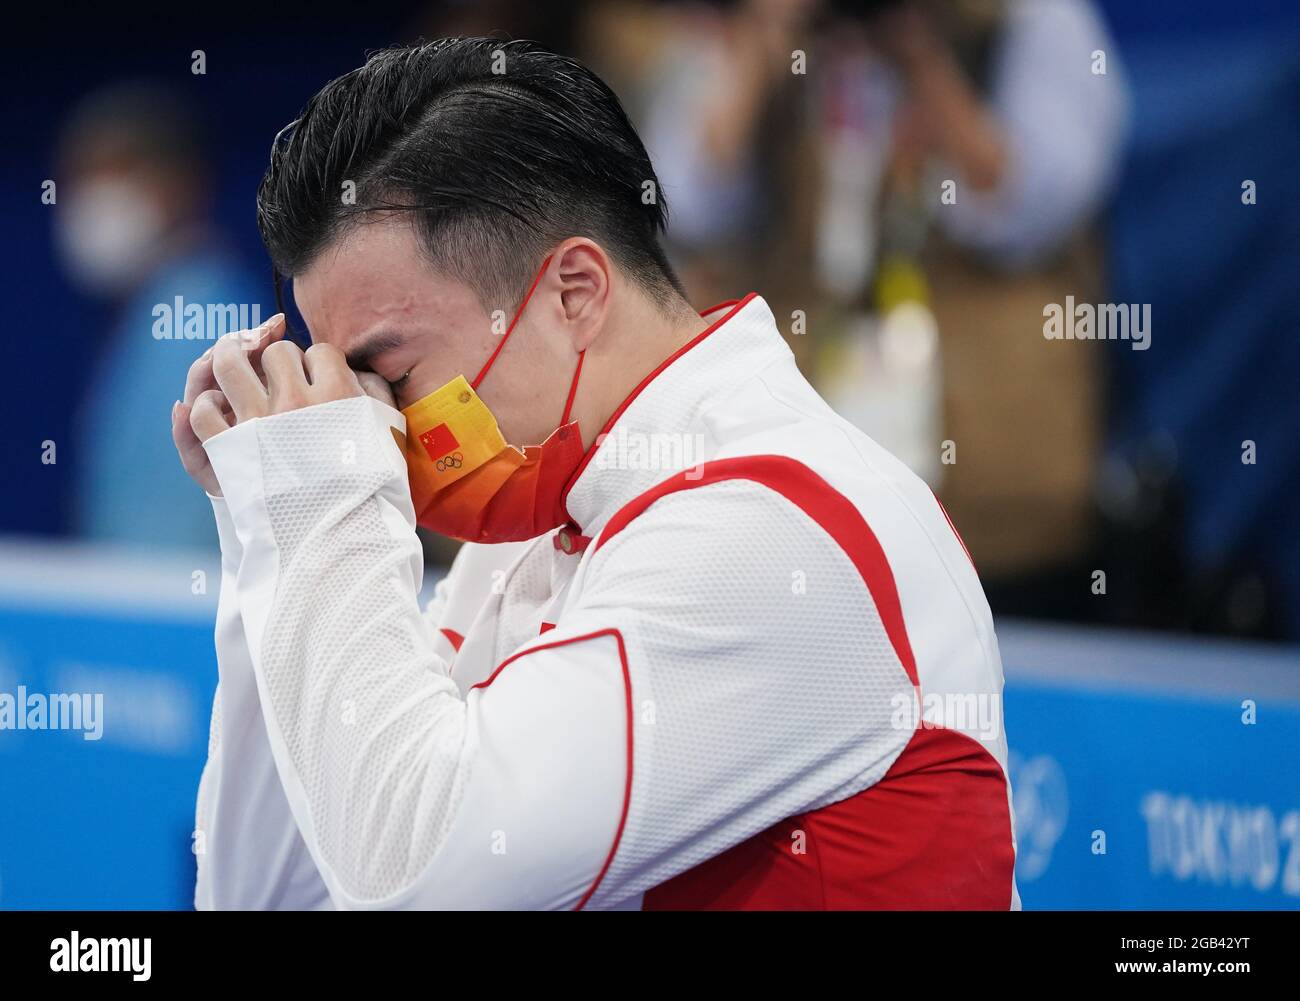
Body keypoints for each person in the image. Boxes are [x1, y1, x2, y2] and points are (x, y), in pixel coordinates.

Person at [174, 38, 1017, 910]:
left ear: (574, 290)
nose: (377, 425)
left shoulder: (773, 528)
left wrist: (324, 498)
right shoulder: (544, 520)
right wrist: (268, 520)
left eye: (388, 374)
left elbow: (414, 883)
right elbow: (273, 895)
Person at [55, 82, 264, 549]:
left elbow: (176, 524)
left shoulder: (204, 312)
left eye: (114, 175)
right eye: (79, 180)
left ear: (179, 184)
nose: (92, 201)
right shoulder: (152, 309)